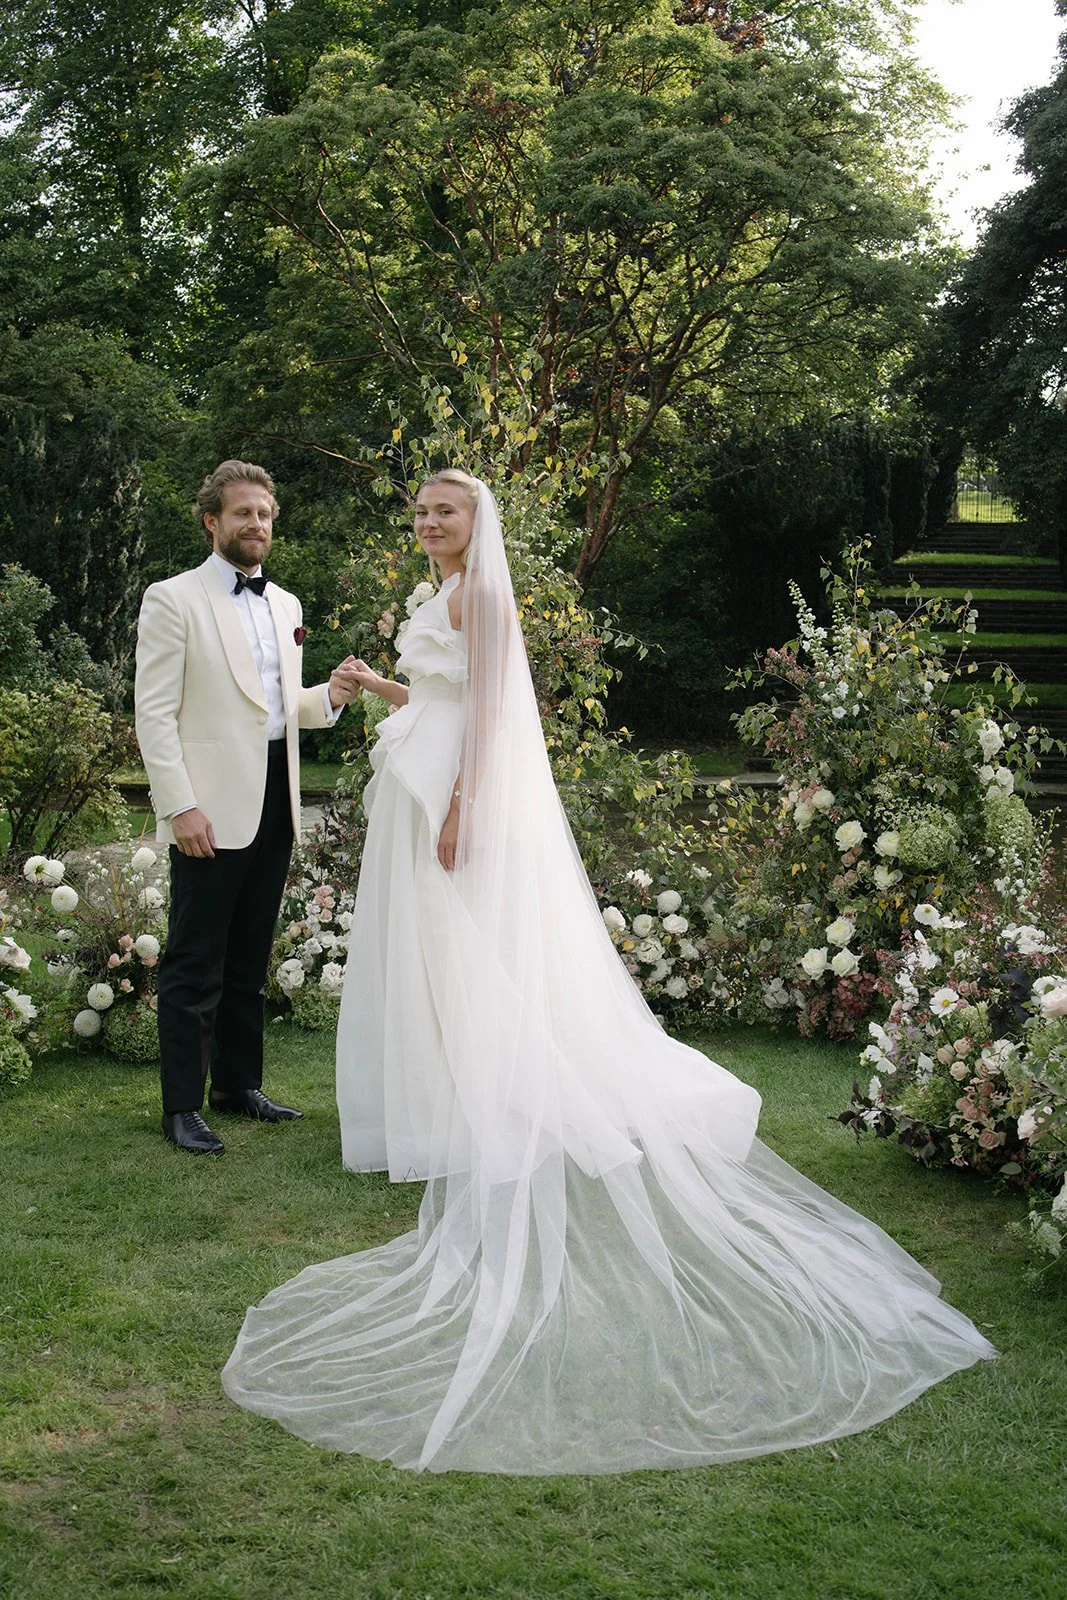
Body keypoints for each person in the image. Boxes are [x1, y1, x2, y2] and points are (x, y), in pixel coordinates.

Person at [222, 471, 995, 1473]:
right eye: (419, 511)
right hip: (421, 783)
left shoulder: (484, 593)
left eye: (444, 510)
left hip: (457, 794)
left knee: (470, 958)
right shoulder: (438, 594)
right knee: (434, 961)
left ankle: (505, 1098)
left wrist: (461, 804)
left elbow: (495, 715)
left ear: (476, 522)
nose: (429, 522)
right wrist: (375, 690)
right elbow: (446, 695)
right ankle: (445, 1104)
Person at [135, 460, 361, 1156]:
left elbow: (277, 705)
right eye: (242, 514)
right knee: (193, 958)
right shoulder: (171, 599)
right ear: (212, 520)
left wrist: (331, 696)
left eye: (264, 514)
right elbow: (154, 714)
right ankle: (181, 1106)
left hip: (275, 797)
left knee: (248, 956)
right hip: (208, 805)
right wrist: (181, 807)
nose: (255, 524)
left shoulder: (286, 605)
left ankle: (238, 1085)